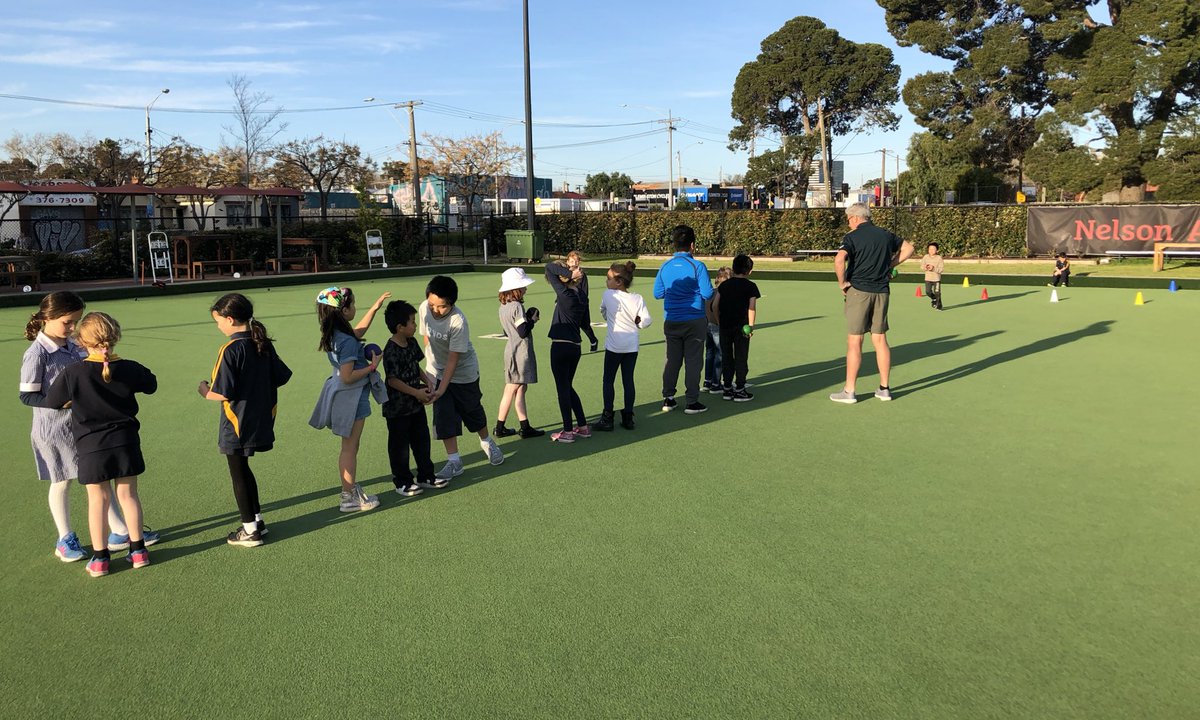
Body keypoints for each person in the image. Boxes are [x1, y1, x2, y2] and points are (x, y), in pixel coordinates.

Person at [19, 292, 158, 562]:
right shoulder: (36, 354)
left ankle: (119, 530)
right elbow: (27, 395)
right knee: (63, 480)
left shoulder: (75, 345)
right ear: (47, 319)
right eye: (67, 322)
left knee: (97, 479)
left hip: (84, 426)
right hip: (54, 429)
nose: (72, 328)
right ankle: (65, 537)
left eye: (76, 323)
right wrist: (64, 404)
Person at [198, 293, 293, 547]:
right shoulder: (262, 342)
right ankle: (257, 520)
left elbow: (221, 391)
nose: (218, 326)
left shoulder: (229, 349)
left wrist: (204, 390)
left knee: (238, 473)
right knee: (244, 469)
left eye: (218, 321)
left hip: (236, 421)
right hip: (261, 416)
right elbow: (282, 376)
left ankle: (250, 530)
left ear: (229, 319)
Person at [308, 286, 391, 513]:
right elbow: (347, 377)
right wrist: (373, 366)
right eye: (353, 305)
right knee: (349, 448)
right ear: (344, 310)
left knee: (351, 447)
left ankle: (349, 491)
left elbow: (358, 331)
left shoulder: (336, 332)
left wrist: (375, 308)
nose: (356, 308)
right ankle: (348, 496)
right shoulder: (346, 341)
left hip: (348, 396)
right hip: (352, 396)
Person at [421, 275, 504, 479]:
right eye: (433, 304)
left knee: (472, 411)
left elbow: (453, 360)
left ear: (451, 304)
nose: (435, 310)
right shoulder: (425, 307)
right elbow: (426, 337)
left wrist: (442, 388)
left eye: (441, 307)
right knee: (444, 416)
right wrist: (431, 371)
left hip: (463, 373)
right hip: (437, 371)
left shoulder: (458, 321)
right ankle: (454, 461)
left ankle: (487, 441)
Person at [830, 203, 914, 404]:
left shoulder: (852, 237)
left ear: (856, 218)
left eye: (848, 219)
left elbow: (839, 260)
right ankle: (884, 389)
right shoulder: (885, 234)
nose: (848, 223)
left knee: (855, 341)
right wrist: (890, 265)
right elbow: (909, 248)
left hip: (859, 291)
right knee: (880, 339)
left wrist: (842, 283)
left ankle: (849, 391)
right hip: (882, 292)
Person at [381, 300, 440, 497]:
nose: (415, 325)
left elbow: (416, 366)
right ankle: (403, 481)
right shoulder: (390, 350)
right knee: (399, 447)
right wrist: (416, 392)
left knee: (422, 440)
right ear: (400, 327)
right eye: (412, 322)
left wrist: (428, 381)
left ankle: (426, 475)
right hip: (398, 409)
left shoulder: (412, 342)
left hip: (416, 405)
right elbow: (392, 380)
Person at [653, 224, 714, 414]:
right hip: (694, 319)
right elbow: (707, 293)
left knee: (672, 360)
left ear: (674, 244)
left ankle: (668, 398)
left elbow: (658, 293)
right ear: (693, 245)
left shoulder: (665, 266)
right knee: (693, 361)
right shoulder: (697, 266)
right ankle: (691, 401)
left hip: (671, 320)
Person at [594, 261, 652, 431]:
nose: (606, 281)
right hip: (631, 346)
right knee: (628, 381)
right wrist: (639, 324)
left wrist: (609, 318)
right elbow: (646, 320)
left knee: (608, 380)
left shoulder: (608, 295)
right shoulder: (637, 298)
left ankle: (607, 417)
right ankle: (628, 418)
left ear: (618, 282)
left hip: (614, 346)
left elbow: (603, 311)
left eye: (609, 278)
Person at [546, 264, 598, 443]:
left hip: (560, 346)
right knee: (568, 386)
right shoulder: (583, 297)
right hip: (576, 347)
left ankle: (567, 430)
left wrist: (568, 273)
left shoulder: (564, 294)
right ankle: (582, 426)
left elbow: (548, 268)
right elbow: (585, 323)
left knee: (562, 389)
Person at [493, 267, 545, 440]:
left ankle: (524, 426)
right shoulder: (516, 306)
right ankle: (500, 427)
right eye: (522, 287)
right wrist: (532, 320)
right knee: (512, 388)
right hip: (520, 352)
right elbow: (522, 331)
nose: (525, 289)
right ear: (515, 289)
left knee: (520, 387)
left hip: (511, 349)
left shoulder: (503, 307)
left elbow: (508, 330)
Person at [712, 254, 760, 402]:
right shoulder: (751, 286)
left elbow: (715, 305)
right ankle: (740, 389)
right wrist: (750, 326)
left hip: (725, 326)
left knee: (727, 357)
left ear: (733, 268)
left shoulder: (724, 285)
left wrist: (719, 322)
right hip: (742, 328)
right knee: (741, 357)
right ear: (749, 271)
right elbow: (751, 308)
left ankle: (727, 389)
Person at [703, 267, 731, 394]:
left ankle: (707, 381)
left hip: (706, 326)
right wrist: (721, 324)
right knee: (720, 354)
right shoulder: (723, 293)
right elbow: (715, 308)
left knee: (709, 353)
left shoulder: (710, 292)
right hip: (716, 326)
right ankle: (715, 384)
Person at [921, 242, 945, 310]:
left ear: (937, 250)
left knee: (937, 292)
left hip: (936, 279)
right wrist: (925, 267)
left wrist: (933, 268)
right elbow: (921, 266)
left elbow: (941, 269)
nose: (931, 251)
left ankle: (939, 305)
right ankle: (934, 299)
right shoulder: (925, 257)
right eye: (930, 249)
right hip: (928, 278)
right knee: (928, 292)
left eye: (933, 249)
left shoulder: (939, 258)